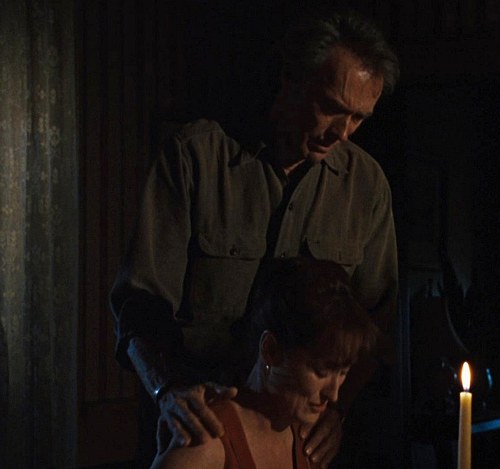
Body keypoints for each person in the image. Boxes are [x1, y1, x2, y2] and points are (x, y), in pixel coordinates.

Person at [109, 6, 399, 467]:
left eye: (359, 118)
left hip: (290, 443)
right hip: (198, 430)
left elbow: (373, 324)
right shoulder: (198, 158)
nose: (342, 133)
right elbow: (139, 307)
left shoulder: (364, 187)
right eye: (331, 108)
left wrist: (337, 408)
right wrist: (169, 389)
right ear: (291, 79)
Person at [150, 257, 378, 469]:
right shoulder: (207, 437)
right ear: (271, 350)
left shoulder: (309, 435)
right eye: (321, 371)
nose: (334, 395)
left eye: (343, 373)